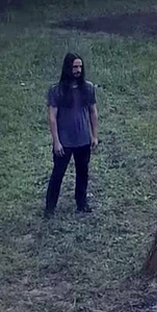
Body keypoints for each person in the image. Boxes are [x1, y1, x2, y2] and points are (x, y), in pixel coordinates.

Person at [44, 53, 99, 219]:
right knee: (58, 174)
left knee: (83, 172)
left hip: (83, 140)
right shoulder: (57, 91)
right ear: (68, 68)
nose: (78, 70)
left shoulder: (88, 88)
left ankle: (81, 203)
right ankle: (50, 207)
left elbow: (93, 112)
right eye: (75, 67)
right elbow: (52, 117)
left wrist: (94, 136)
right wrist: (56, 141)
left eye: (80, 67)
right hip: (64, 142)